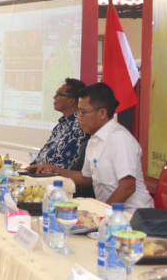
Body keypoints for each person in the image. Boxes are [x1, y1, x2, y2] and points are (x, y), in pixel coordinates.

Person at [32, 83, 153, 213]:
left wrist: (101, 213)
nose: (79, 118)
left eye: (83, 112)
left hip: (132, 215)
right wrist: (54, 170)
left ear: (102, 113)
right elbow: (86, 178)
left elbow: (128, 186)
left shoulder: (120, 138)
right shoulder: (93, 139)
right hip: (109, 211)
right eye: (78, 112)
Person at [28, 78, 88, 171]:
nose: (54, 97)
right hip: (39, 173)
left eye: (59, 94)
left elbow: (67, 165)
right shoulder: (60, 126)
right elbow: (43, 154)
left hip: (55, 178)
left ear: (71, 101)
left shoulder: (80, 126)